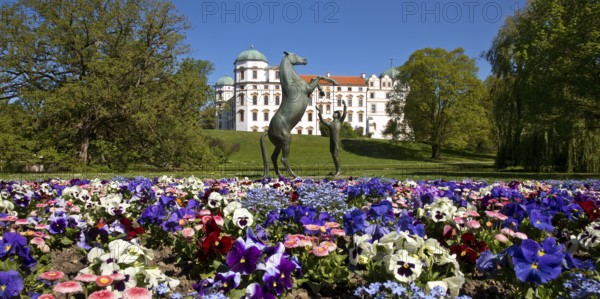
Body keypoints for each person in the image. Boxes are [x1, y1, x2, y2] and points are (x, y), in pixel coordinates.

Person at [316, 100, 347, 176]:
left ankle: (338, 170)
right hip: (332, 141)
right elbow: (323, 121)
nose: (333, 114)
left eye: (335, 113)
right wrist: (319, 112)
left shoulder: (339, 122)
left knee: (336, 155)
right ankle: (337, 170)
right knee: (333, 155)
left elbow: (345, 114)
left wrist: (345, 105)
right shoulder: (330, 123)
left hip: (336, 141)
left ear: (337, 115)